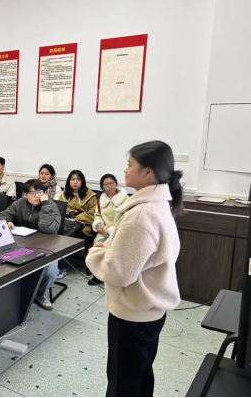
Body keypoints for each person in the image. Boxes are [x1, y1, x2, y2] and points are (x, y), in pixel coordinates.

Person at [87, 141, 183, 398]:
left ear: (148, 172)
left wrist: (96, 252)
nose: (125, 170)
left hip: (132, 317)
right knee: (140, 377)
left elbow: (118, 273)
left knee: (123, 385)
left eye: (130, 164)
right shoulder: (158, 205)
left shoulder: (141, 216)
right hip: (149, 312)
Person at [0, 179, 61, 311]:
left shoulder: (50, 205)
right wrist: (7, 220)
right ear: (25, 195)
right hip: (24, 243)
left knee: (51, 272)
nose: (37, 196)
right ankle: (12, 292)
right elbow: (0, 215)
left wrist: (45, 204)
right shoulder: (20, 203)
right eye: (33, 193)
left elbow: (48, 229)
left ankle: (40, 294)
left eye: (40, 192)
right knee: (1, 261)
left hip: (46, 245)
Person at [59, 170, 97, 238]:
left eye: (78, 179)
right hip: (65, 223)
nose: (75, 182)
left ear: (82, 182)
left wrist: (76, 219)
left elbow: (93, 214)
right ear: (69, 181)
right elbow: (58, 210)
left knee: (68, 237)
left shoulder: (90, 195)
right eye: (72, 179)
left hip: (82, 226)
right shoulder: (64, 194)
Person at [93, 174, 129, 245]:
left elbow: (128, 217)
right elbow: (97, 215)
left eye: (112, 183)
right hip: (103, 233)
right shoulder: (100, 200)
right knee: (98, 246)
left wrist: (114, 230)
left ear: (116, 184)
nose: (110, 186)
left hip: (120, 233)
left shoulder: (126, 199)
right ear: (102, 187)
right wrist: (98, 224)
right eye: (106, 184)